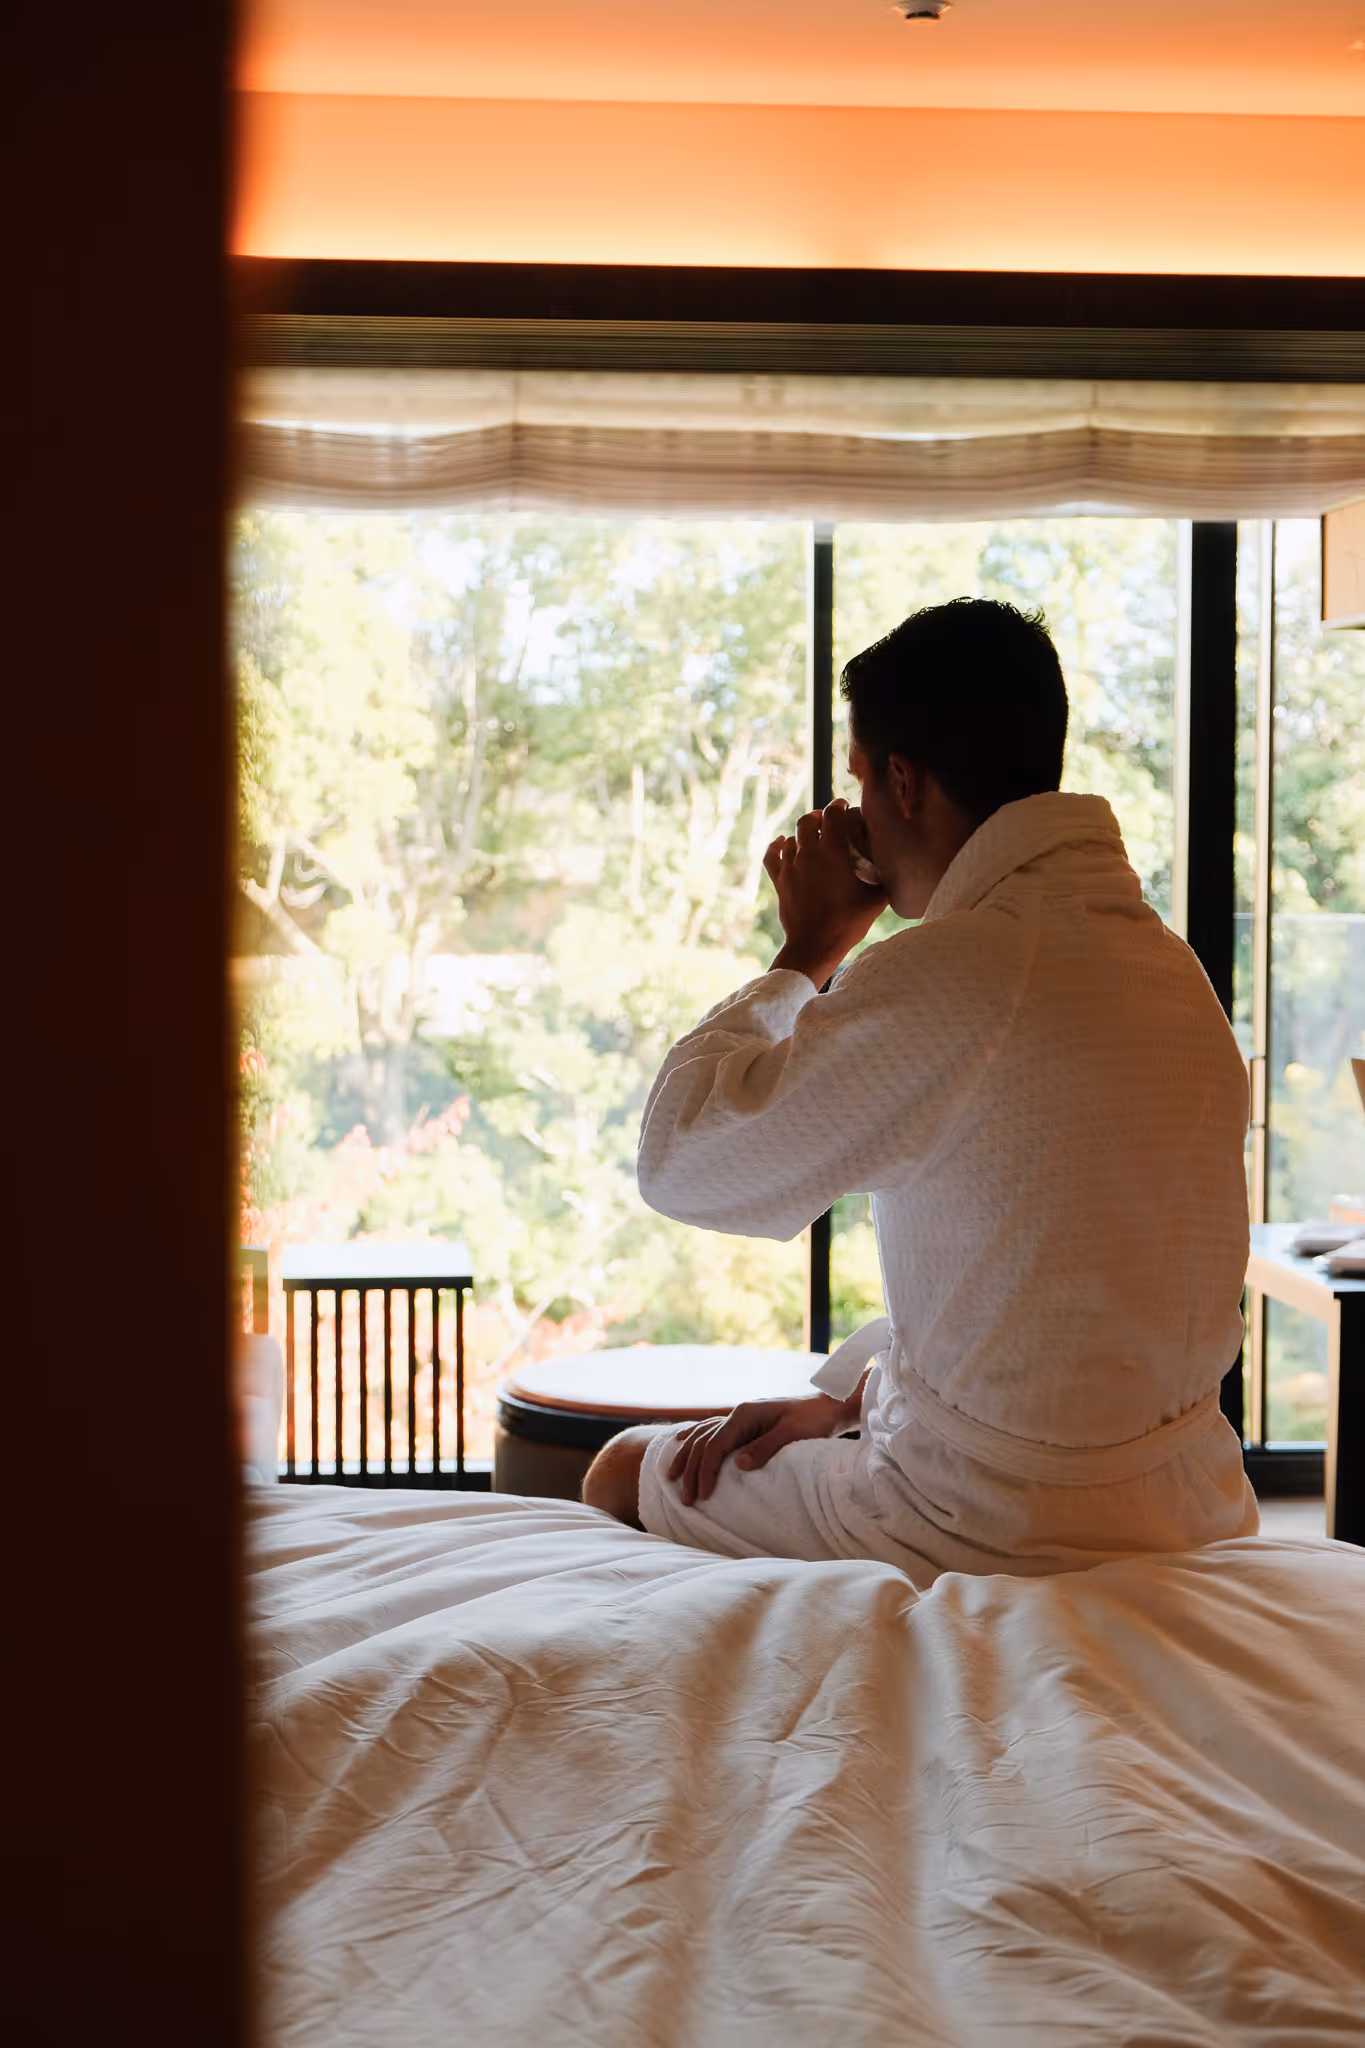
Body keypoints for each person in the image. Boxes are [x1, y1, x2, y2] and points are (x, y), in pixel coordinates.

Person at [582, 598, 1257, 1583]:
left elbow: (683, 1163)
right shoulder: (1170, 969)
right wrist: (853, 1403)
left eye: (858, 777)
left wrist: (806, 952)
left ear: (902, 781)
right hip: (1189, 1503)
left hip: (988, 1518)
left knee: (619, 1468)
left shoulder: (959, 967)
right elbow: (1062, 1308)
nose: (854, 809)